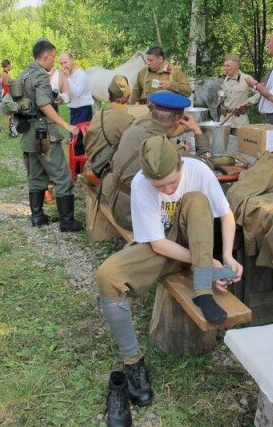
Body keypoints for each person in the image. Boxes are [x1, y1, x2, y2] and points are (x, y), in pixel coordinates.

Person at [97, 135, 243, 422]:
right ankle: (133, 363)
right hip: (164, 248)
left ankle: (203, 289)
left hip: (197, 247)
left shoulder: (198, 169)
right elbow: (158, 245)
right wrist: (205, 261)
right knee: (107, 275)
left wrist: (226, 258)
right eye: (159, 186)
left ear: (180, 164)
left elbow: (226, 215)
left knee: (197, 200)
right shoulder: (141, 182)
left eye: (172, 182)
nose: (167, 189)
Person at [101, 91, 213, 231]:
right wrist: (197, 130)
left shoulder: (132, 131)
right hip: (136, 215)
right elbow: (206, 165)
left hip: (118, 205)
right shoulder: (168, 149)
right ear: (179, 121)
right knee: (196, 202)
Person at [19, 38, 82, 232]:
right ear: (45, 55)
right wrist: (65, 124)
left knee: (37, 174)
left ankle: (37, 216)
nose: (54, 61)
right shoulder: (40, 76)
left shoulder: (25, 74)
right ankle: (67, 221)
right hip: (44, 133)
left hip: (30, 133)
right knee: (62, 176)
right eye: (53, 56)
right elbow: (44, 104)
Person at [84, 75, 135, 178]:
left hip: (93, 169)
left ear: (109, 97)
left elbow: (87, 143)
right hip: (113, 176)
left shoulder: (98, 115)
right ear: (129, 96)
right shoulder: (131, 121)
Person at [59, 52, 94, 155]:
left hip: (83, 110)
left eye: (65, 62)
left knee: (80, 140)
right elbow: (66, 93)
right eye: (61, 63)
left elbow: (77, 92)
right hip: (73, 110)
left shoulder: (81, 75)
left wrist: (67, 78)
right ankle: (75, 167)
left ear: (72, 60)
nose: (63, 65)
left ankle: (81, 168)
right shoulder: (67, 76)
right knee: (73, 139)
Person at [219, 54, 259, 128]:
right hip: (225, 120)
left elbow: (260, 93)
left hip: (240, 121)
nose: (225, 68)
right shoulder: (226, 79)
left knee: (240, 139)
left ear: (237, 66)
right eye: (224, 66)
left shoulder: (246, 78)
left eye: (228, 66)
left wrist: (247, 102)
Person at [0, 59, 17, 137]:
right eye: (10, 65)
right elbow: (7, 83)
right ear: (7, 65)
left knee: (8, 114)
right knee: (9, 113)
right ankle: (11, 131)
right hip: (7, 94)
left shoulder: (2, 73)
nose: (10, 66)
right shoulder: (6, 74)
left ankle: (10, 130)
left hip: (5, 93)